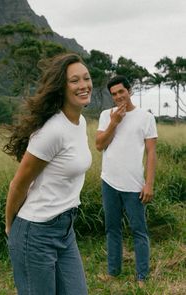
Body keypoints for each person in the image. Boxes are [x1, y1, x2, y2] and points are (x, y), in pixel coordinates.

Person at [3, 53, 92, 295]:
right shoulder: (52, 131)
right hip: (36, 231)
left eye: (86, 78)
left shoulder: (80, 123)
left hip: (65, 229)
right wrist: (11, 228)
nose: (83, 85)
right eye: (74, 81)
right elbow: (18, 185)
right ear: (61, 88)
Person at [96, 75, 157, 287]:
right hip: (109, 182)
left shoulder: (146, 118)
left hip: (134, 185)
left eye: (121, 92)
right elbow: (99, 145)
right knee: (112, 228)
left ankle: (142, 277)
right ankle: (113, 272)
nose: (118, 97)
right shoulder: (106, 115)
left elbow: (151, 153)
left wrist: (148, 183)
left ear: (129, 91)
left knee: (139, 230)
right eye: (114, 94)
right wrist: (114, 122)